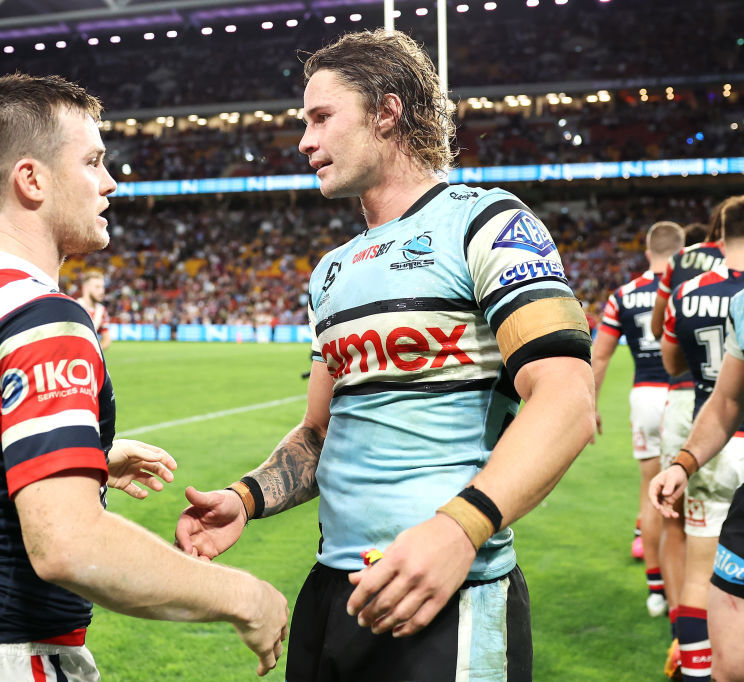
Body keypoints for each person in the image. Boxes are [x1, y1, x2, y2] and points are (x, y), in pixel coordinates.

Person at [175, 30, 594, 680]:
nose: (304, 141)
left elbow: (568, 401)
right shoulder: (331, 272)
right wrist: (247, 497)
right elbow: (320, 433)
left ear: (386, 111)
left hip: (447, 588)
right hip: (331, 592)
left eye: (320, 117)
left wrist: (461, 528)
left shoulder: (489, 224)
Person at [0, 73, 287, 681]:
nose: (110, 182)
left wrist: (88, 457)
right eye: (94, 161)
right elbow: (68, 546)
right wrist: (242, 597)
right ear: (32, 179)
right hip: (3, 650)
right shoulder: (41, 319)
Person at [651, 196, 744, 682]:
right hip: (715, 432)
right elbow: (729, 399)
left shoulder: (688, 285)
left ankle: (687, 657)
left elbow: (670, 361)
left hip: (695, 414)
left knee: (695, 565)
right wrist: (685, 462)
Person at [592, 220, 684, 619]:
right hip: (684, 396)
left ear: (647, 253)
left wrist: (589, 405)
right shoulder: (690, 288)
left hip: (644, 397)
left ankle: (656, 591)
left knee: (650, 493)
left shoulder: (623, 294)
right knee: (689, 491)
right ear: (681, 252)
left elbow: (600, 356)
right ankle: (691, 590)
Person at [76, 270, 112, 351]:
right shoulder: (75, 307)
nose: (102, 291)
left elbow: (106, 339)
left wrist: (94, 352)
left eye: (103, 287)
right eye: (97, 287)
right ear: (85, 288)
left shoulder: (101, 310)